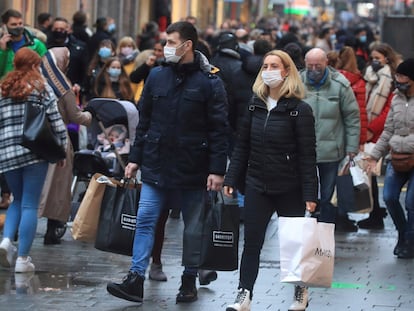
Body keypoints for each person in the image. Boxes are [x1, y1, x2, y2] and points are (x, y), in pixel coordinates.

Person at [106, 21, 229, 304]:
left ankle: (189, 280)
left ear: (188, 45)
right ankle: (135, 277)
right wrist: (134, 159)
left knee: (193, 227)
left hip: (194, 166)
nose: (165, 46)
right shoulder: (157, 76)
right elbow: (144, 121)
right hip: (156, 163)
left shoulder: (210, 81)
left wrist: (217, 169)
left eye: (171, 41)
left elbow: (220, 129)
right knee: (145, 219)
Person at [223, 49, 318, 311]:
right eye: (265, 66)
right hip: (257, 183)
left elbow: (308, 155)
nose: (268, 71)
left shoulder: (300, 110)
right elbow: (242, 146)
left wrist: (311, 194)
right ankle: (244, 294)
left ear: (287, 71)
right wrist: (232, 177)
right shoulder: (255, 105)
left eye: (274, 65)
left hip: (290, 187)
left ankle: (301, 290)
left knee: (294, 244)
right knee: (251, 242)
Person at [0, 47, 67, 272]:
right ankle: (23, 259)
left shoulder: (3, 87)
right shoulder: (41, 87)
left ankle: (7, 241)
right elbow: (56, 121)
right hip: (34, 150)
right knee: (30, 203)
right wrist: (61, 151)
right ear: (35, 65)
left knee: (16, 200)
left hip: (7, 152)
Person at [300, 48, 360, 224]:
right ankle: (305, 230)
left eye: (318, 65)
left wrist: (351, 148)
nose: (313, 69)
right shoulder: (296, 83)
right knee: (304, 194)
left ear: (326, 62)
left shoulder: (340, 85)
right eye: (310, 65)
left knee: (327, 196)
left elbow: (352, 118)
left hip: (331, 152)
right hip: (304, 150)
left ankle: (326, 231)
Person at [39, 47, 92, 245]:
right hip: (57, 141)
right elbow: (75, 116)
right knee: (58, 186)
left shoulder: (35, 82)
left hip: (33, 141)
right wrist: (90, 115)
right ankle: (53, 230)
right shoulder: (63, 87)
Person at [365, 58, 414, 259]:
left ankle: (410, 241)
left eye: (402, 76)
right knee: (390, 197)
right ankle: (403, 233)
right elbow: (388, 131)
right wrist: (374, 156)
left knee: (411, 202)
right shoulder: (396, 98)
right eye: (397, 76)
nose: (398, 80)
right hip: (396, 156)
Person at [357, 43, 401, 230]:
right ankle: (373, 212)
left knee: (373, 172)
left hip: (380, 133)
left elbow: (388, 110)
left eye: (378, 58)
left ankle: (376, 214)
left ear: (387, 58)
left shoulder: (392, 78)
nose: (374, 62)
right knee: (369, 174)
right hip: (366, 131)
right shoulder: (368, 76)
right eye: (372, 58)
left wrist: (371, 129)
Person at [334, 46, 369, 231]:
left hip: (333, 134)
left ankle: (334, 214)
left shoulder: (335, 81)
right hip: (349, 136)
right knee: (345, 176)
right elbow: (360, 114)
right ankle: (344, 214)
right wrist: (360, 140)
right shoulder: (359, 82)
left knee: (331, 178)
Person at [0, 9, 47, 78]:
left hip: (29, 84)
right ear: (5, 26)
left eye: (20, 23)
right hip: (6, 85)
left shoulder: (36, 44)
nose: (18, 27)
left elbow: (46, 67)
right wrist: (2, 51)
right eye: (14, 24)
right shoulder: (2, 45)